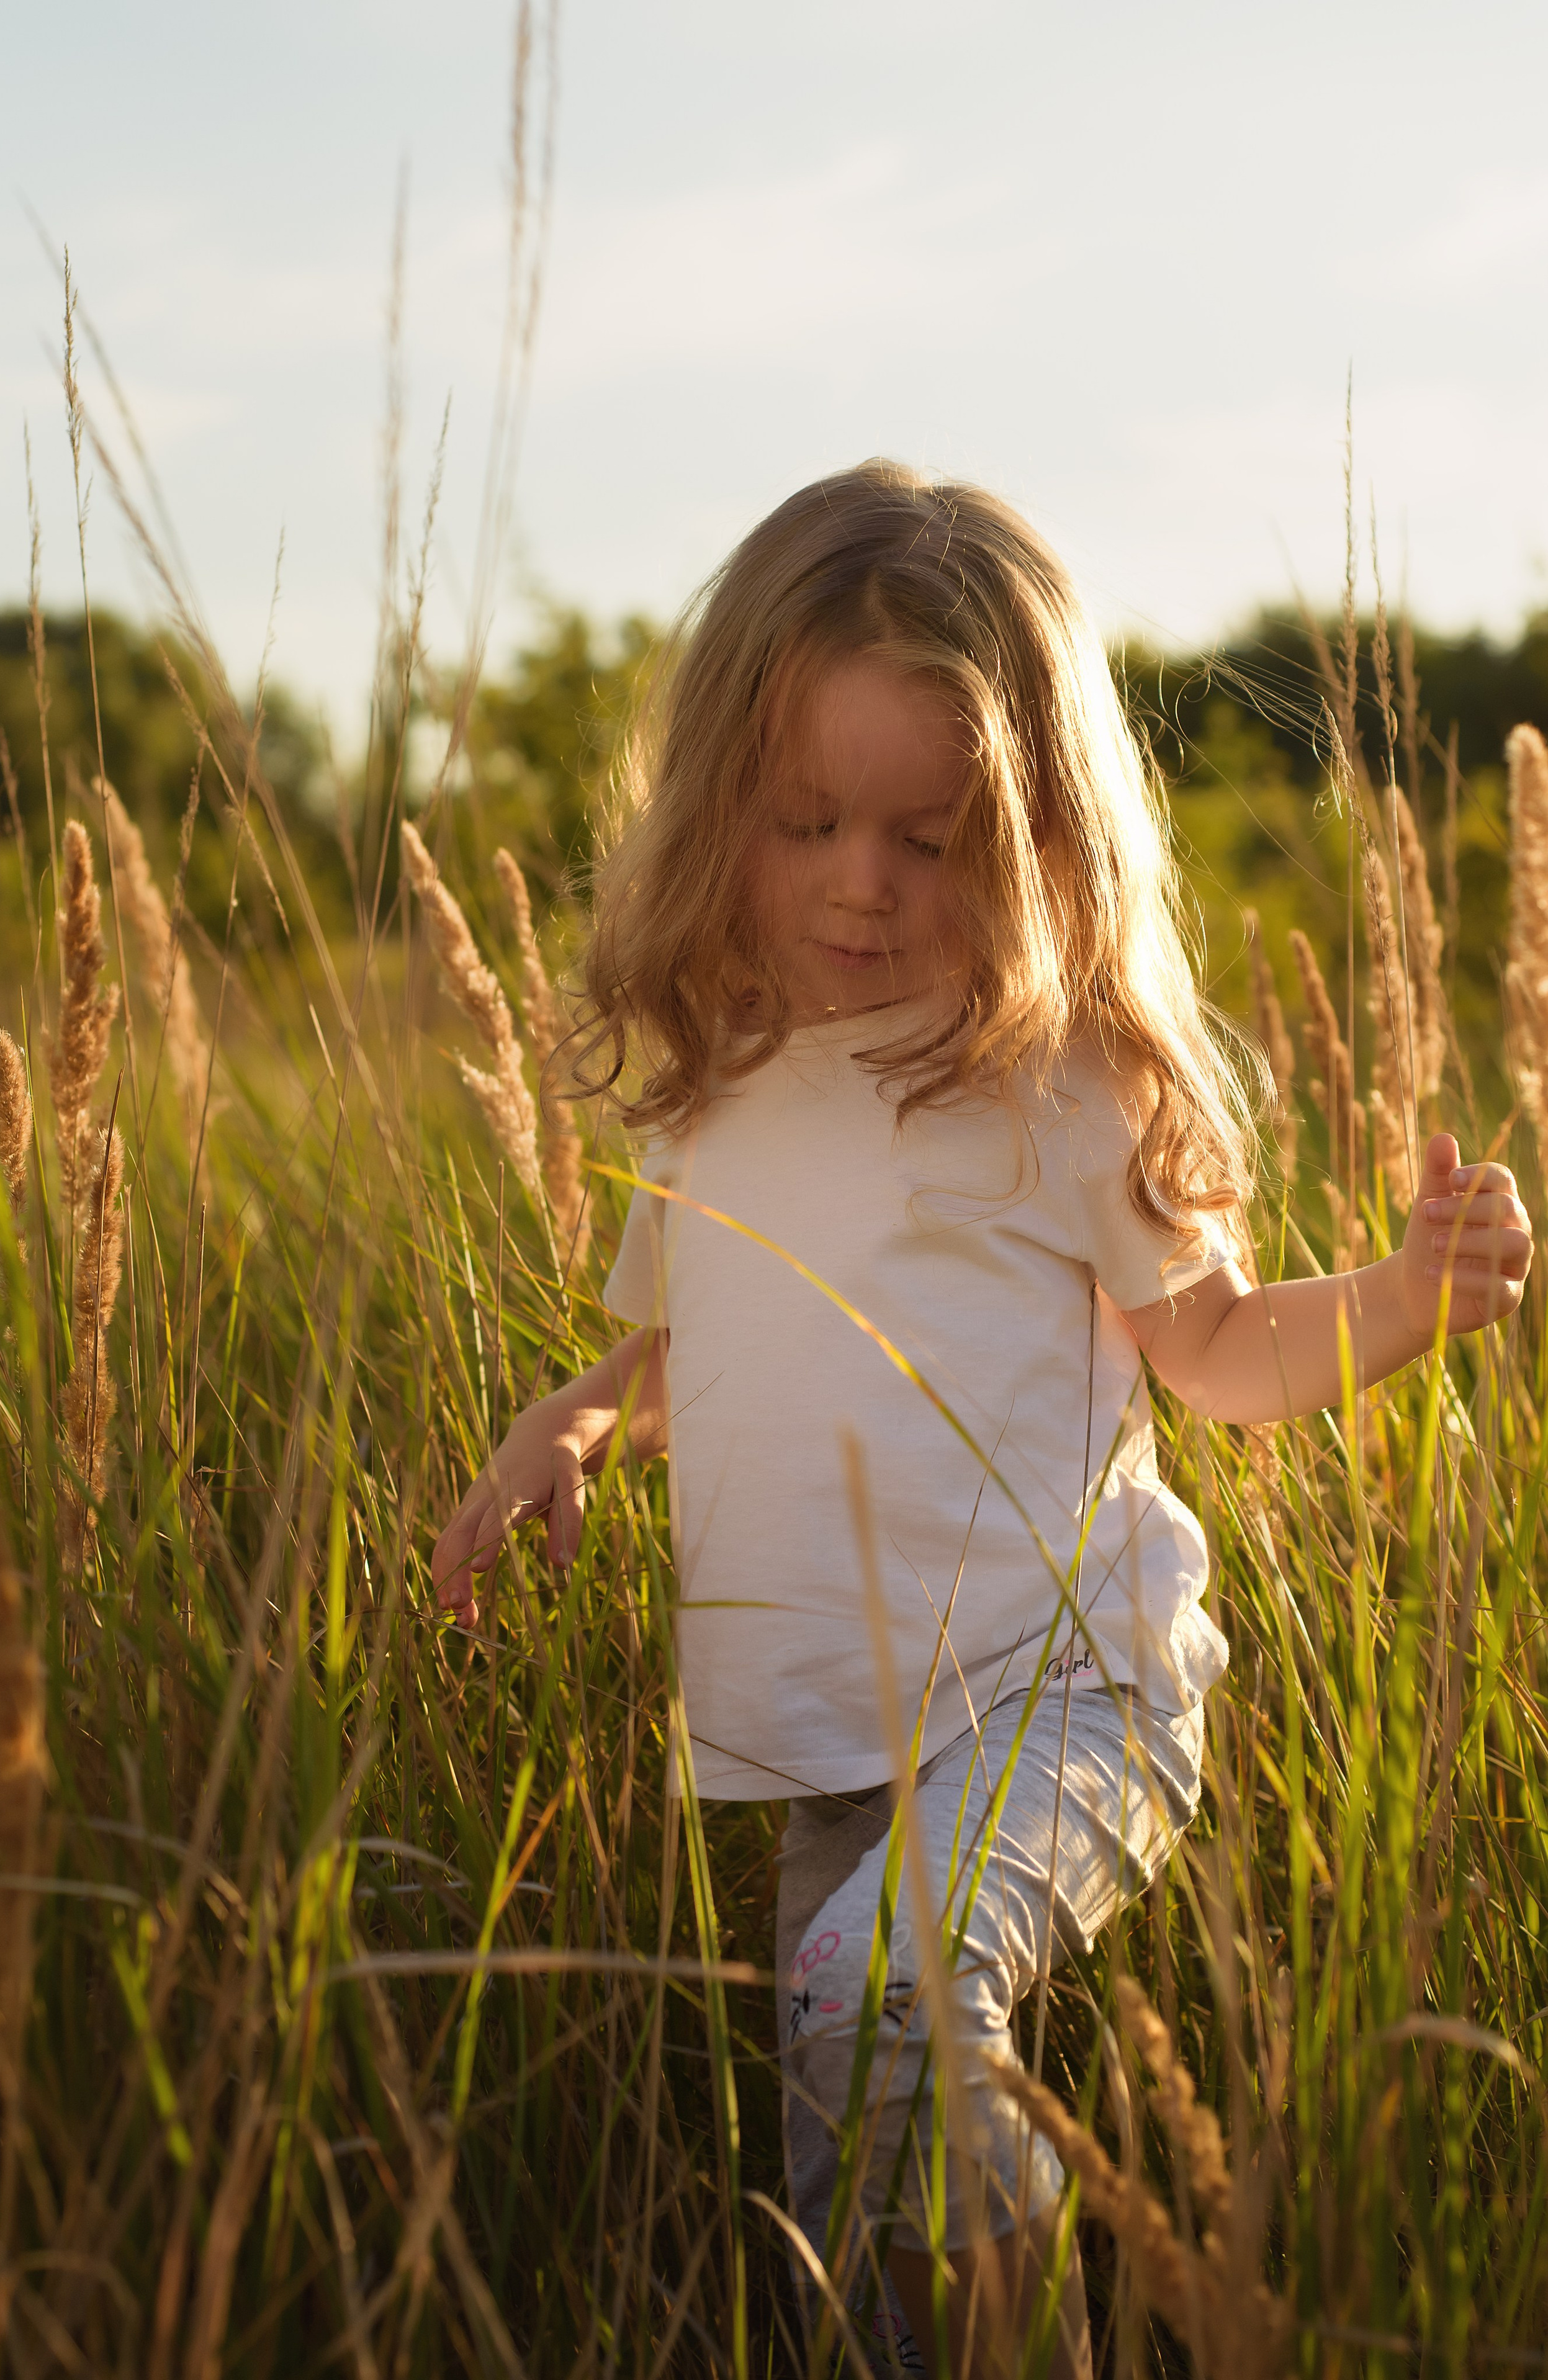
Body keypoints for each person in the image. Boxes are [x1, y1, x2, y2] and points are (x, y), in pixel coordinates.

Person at [430, 461, 1532, 2378]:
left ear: (1038, 839)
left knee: (881, 2000)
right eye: (810, 821)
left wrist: (1412, 1299)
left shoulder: (1063, 1082)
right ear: (723, 808)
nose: (863, 878)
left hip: (1066, 1685)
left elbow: (1215, 1354)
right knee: (845, 2185)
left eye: (932, 837)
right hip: (826, 1727)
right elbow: (691, 1340)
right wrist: (572, 1424)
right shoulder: (725, 1077)